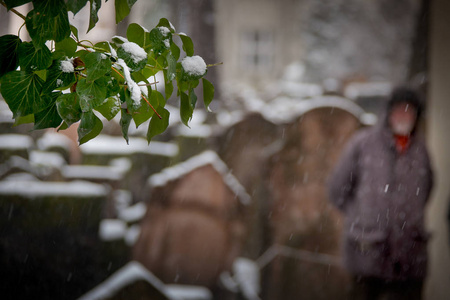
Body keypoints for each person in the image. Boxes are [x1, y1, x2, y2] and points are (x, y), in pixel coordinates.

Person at [328, 86, 434, 300]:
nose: (403, 116)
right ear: (388, 112)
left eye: (409, 111)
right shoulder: (363, 144)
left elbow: (428, 188)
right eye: (399, 110)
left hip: (410, 259)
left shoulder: (421, 150)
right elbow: (337, 188)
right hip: (366, 254)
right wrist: (359, 217)